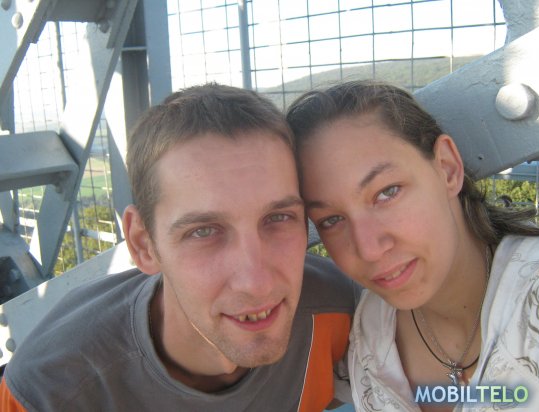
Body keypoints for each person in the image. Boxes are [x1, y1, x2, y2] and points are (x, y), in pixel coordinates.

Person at [0, 84, 360, 411]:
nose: (257, 283)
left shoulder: (342, 314)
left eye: (278, 218)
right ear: (143, 244)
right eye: (204, 232)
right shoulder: (49, 391)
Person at [286, 80, 539, 411]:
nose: (369, 249)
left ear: (447, 168)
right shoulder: (369, 333)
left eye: (387, 192)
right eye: (331, 220)